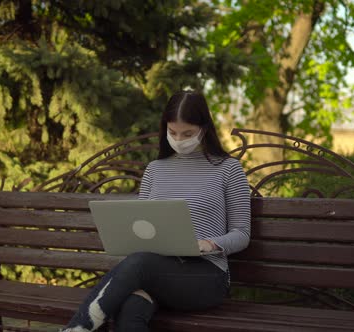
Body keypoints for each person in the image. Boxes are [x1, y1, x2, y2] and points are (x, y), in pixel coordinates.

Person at [60, 90, 251, 332]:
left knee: (140, 263)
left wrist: (210, 244)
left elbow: (242, 233)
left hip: (206, 277)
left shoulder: (228, 169)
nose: (179, 139)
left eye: (188, 133)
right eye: (173, 132)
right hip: (157, 274)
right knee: (129, 310)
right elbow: (143, 226)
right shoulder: (155, 170)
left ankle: (78, 328)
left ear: (204, 128)